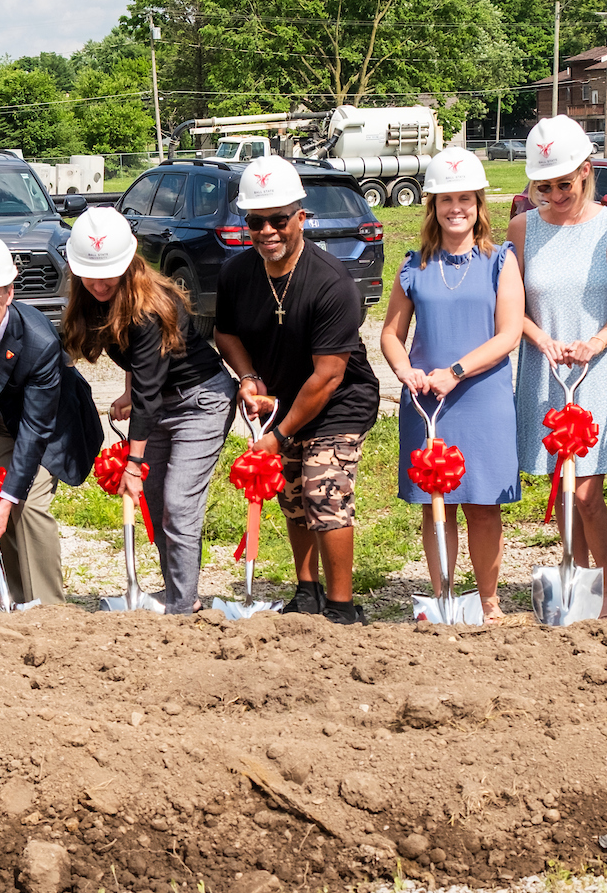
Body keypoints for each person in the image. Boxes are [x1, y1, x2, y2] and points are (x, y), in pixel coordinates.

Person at [211, 155, 383, 625]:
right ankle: (308, 591)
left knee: (322, 492)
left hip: (339, 401)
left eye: (279, 220)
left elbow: (328, 375)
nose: (268, 230)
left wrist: (280, 435)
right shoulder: (236, 274)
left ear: (300, 218)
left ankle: (343, 607)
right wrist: (248, 376)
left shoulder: (332, 282)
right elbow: (224, 333)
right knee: (292, 495)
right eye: (256, 221)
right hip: (283, 400)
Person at [61, 204, 237, 614]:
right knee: (157, 503)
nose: (99, 282)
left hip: (201, 400)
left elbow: (151, 384)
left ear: (129, 261)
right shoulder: (93, 299)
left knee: (178, 502)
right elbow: (138, 365)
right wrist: (128, 391)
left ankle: (181, 603)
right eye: (89, 272)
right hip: (157, 400)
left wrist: (133, 464)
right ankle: (177, 592)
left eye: (108, 273)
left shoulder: (152, 308)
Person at [379, 147, 525, 620]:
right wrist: (405, 369)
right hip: (427, 404)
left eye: (465, 197)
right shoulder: (413, 266)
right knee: (434, 504)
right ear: (433, 205)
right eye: (446, 198)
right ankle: (442, 599)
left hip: (482, 399)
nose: (455, 207)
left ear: (480, 204)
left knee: (483, 505)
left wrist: (456, 372)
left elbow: (509, 333)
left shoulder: (501, 261)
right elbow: (390, 333)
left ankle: (488, 602)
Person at [510, 113, 607, 615]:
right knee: (561, 489)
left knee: (586, 493)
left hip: (595, 368)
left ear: (586, 170)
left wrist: (594, 341)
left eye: (565, 182)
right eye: (545, 186)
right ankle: (575, 584)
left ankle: (606, 590)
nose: (556, 194)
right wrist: (541, 339)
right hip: (545, 368)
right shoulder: (522, 228)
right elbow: (513, 307)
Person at [0, 232, 103, 606]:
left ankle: (47, 609)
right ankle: (14, 599)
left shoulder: (38, 342)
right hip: (0, 421)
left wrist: (10, 498)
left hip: (50, 426)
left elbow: (35, 429)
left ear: (10, 292)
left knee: (23, 503)